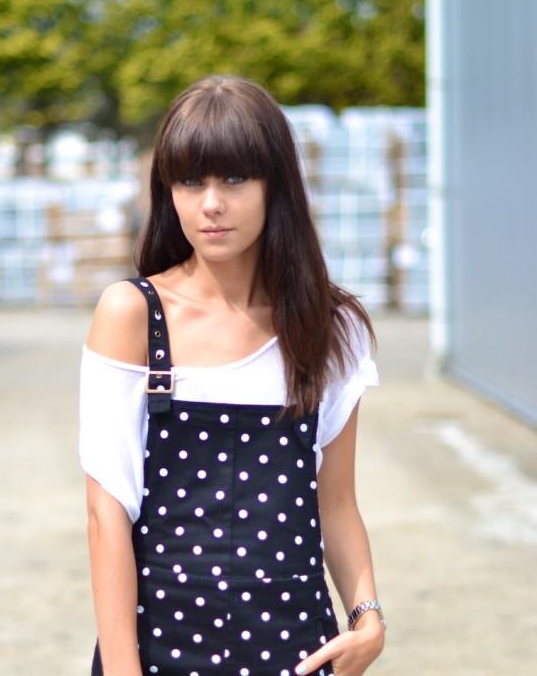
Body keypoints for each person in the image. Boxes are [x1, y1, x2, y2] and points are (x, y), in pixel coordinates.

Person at [79, 74, 385, 676]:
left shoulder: (329, 326)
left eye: (234, 179)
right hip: (161, 647)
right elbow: (105, 512)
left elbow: (337, 501)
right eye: (190, 181)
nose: (211, 204)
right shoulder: (134, 315)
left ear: (277, 186)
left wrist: (367, 616)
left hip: (297, 647)